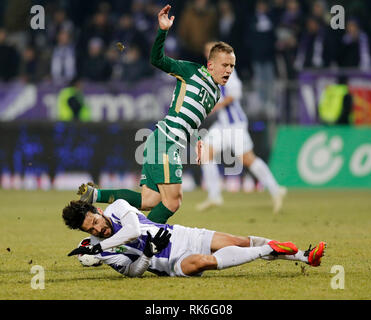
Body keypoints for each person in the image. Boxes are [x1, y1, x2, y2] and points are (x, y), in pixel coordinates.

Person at [78, 5, 235, 224]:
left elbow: (190, 119)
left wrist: (197, 140)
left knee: (149, 200)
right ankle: (145, 241)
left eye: (232, 66)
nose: (229, 70)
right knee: (173, 202)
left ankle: (95, 195)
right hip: (166, 141)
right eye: (225, 65)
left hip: (165, 142)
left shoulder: (216, 93)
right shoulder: (191, 71)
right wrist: (162, 31)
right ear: (210, 65)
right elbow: (156, 60)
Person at [62, 199, 326, 277]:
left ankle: (305, 256)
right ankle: (266, 249)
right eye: (92, 231)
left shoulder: (118, 207)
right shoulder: (102, 251)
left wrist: (99, 248)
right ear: (86, 233)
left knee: (240, 240)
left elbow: (131, 231)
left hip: (183, 235)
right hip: (170, 262)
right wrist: (148, 254)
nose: (99, 230)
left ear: (97, 211)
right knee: (204, 262)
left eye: (96, 222)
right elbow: (133, 272)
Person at [197, 42, 287, 214]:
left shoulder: (227, 69)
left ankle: (276, 189)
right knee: (204, 152)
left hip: (235, 124)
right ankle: (215, 195)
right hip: (223, 125)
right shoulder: (209, 73)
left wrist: (216, 107)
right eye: (206, 51)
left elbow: (235, 94)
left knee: (247, 159)